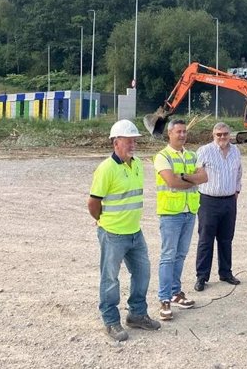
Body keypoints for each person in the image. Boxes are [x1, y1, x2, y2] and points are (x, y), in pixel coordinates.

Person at [87, 119, 160, 341]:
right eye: (128, 140)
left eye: (134, 140)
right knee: (110, 278)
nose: (132, 144)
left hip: (135, 233)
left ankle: (137, 314)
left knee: (142, 273)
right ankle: (110, 321)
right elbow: (93, 203)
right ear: (115, 142)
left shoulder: (136, 164)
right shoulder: (106, 169)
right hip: (113, 234)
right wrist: (102, 221)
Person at [153, 119, 208, 321]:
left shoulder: (192, 155)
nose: (182, 135)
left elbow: (204, 178)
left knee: (180, 255)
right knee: (168, 256)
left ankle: (176, 293)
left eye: (184, 131)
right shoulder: (162, 156)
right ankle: (164, 298)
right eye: (178, 131)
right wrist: (188, 179)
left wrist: (184, 177)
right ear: (170, 133)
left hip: (189, 211)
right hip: (171, 213)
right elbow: (171, 181)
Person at [193, 122, 243, 291]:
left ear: (230, 134)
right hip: (209, 201)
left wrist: (236, 191)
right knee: (205, 240)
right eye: (218, 134)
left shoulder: (236, 151)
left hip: (229, 201)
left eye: (225, 134)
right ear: (213, 135)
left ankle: (225, 272)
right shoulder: (204, 151)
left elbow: (239, 174)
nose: (222, 137)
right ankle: (202, 276)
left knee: (226, 239)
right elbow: (196, 174)